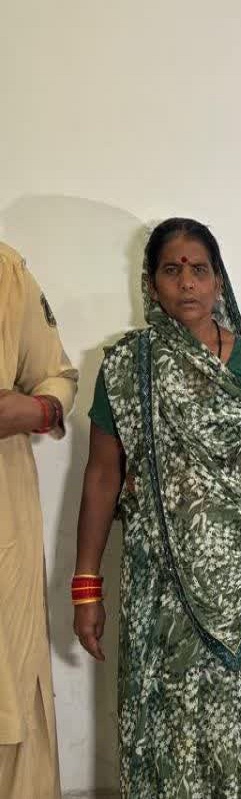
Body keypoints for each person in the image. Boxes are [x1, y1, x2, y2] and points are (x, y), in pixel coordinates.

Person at [74, 218, 241, 797]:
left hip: (236, 589)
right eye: (172, 270)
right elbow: (102, 476)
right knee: (160, 726)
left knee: (228, 735)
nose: (187, 282)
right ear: (151, 283)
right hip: (155, 588)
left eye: (199, 270)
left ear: (219, 282)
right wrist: (86, 587)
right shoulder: (127, 367)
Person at [0, 242, 78, 798]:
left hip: (3, 512)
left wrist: (37, 409)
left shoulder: (5, 272)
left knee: (10, 670)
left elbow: (57, 377)